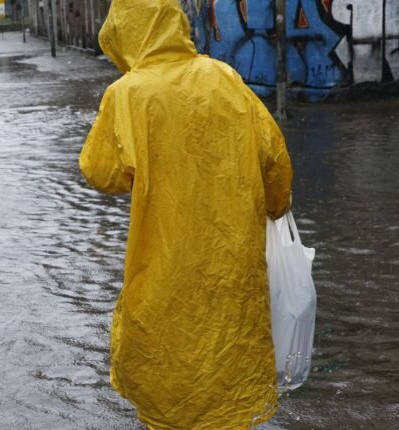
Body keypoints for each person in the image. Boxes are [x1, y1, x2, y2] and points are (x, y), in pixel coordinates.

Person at [78, 0, 293, 427]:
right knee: (229, 360)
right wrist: (274, 206)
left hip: (166, 267)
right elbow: (274, 159)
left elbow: (100, 171)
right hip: (231, 264)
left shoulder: (127, 94)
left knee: (167, 369)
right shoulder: (223, 77)